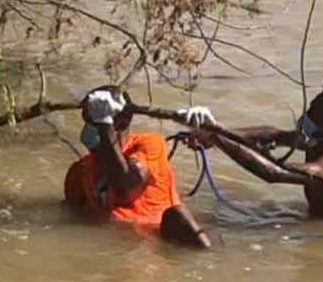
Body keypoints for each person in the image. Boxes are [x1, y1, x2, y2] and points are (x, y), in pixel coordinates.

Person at [194, 82, 323, 219]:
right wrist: (216, 130)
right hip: (315, 220)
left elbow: (274, 173)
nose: (308, 115)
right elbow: (273, 135)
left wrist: (219, 138)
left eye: (317, 114)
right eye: (311, 108)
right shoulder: (314, 141)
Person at [64, 87, 212, 247]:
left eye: (96, 122)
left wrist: (104, 126)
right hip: (108, 248)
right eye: (88, 121)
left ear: (121, 122)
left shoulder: (150, 144)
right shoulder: (81, 169)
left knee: (178, 215)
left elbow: (126, 185)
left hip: (153, 244)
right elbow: (69, 212)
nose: (88, 128)